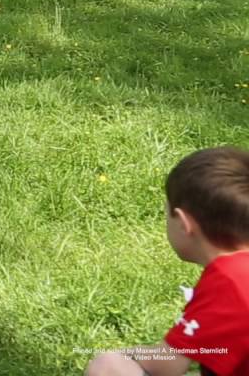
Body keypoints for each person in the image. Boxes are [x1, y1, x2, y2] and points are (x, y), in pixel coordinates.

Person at [83, 146, 249, 376]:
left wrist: (130, 353)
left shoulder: (229, 280)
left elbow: (166, 364)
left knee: (110, 366)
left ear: (183, 223)